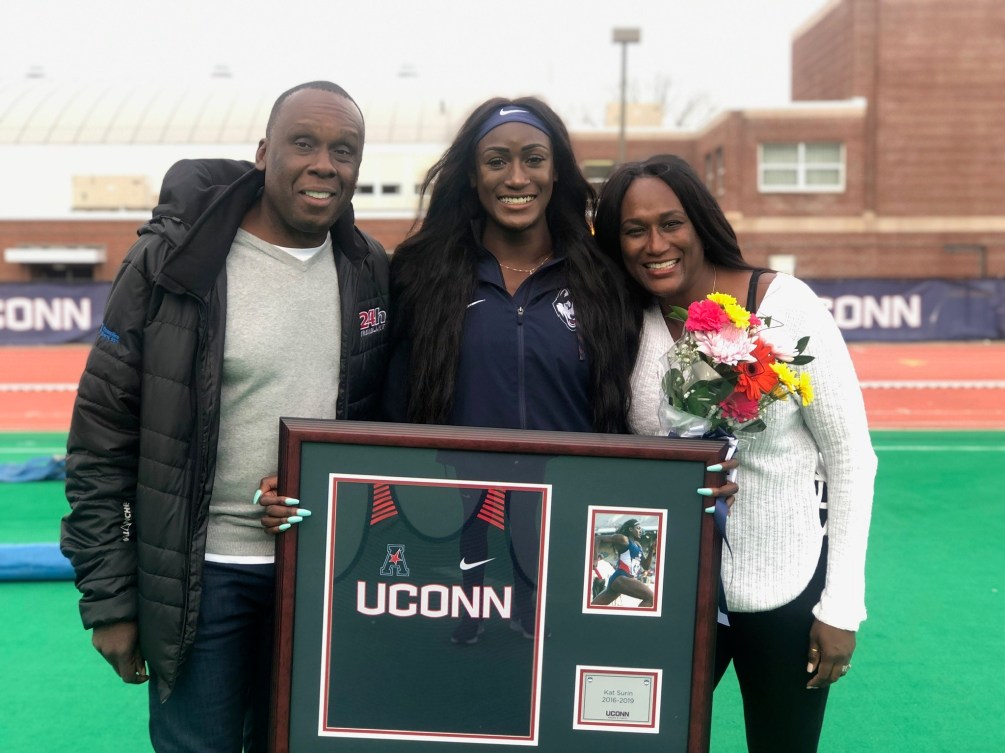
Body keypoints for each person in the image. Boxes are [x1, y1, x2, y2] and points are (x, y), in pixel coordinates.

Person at [60, 81, 391, 753]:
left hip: (320, 578)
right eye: (304, 143)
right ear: (264, 151)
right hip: (200, 578)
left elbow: (381, 428)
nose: (324, 164)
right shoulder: (172, 264)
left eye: (344, 150)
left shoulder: (370, 270)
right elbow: (101, 439)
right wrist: (110, 598)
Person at [593, 154, 877, 753]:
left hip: (785, 589)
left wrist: (842, 605)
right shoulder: (621, 322)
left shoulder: (785, 305)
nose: (655, 244)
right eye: (634, 229)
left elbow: (850, 458)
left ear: (700, 221)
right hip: (663, 591)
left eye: (671, 223)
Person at [591, 518, 656, 607]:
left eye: (641, 529)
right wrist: (594, 558)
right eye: (638, 528)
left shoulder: (638, 545)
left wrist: (652, 549)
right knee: (652, 597)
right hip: (621, 578)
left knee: (595, 607)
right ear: (630, 529)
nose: (640, 531)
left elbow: (646, 566)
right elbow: (598, 538)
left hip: (622, 581)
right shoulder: (624, 539)